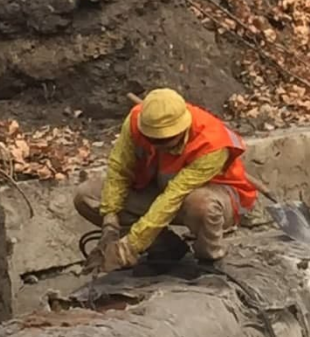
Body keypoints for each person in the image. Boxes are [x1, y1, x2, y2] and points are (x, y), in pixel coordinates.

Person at [74, 88, 258, 273]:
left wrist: (131, 245)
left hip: (215, 199)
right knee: (87, 195)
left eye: (164, 141)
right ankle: (165, 248)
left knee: (201, 205)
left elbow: (173, 196)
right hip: (162, 188)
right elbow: (119, 170)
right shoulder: (136, 120)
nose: (157, 145)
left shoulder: (211, 143)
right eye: (152, 139)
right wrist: (110, 221)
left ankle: (209, 260)